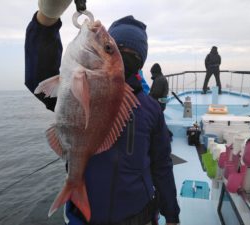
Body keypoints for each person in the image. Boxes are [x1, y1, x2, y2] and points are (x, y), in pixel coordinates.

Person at [25, 1, 180, 225]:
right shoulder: (77, 83)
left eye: (133, 54)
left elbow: (162, 166)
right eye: (117, 47)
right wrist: (46, 20)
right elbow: (38, 78)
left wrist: (172, 215)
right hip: (84, 218)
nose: (126, 56)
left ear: (141, 61)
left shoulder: (151, 110)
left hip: (140, 217)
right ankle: (74, 187)